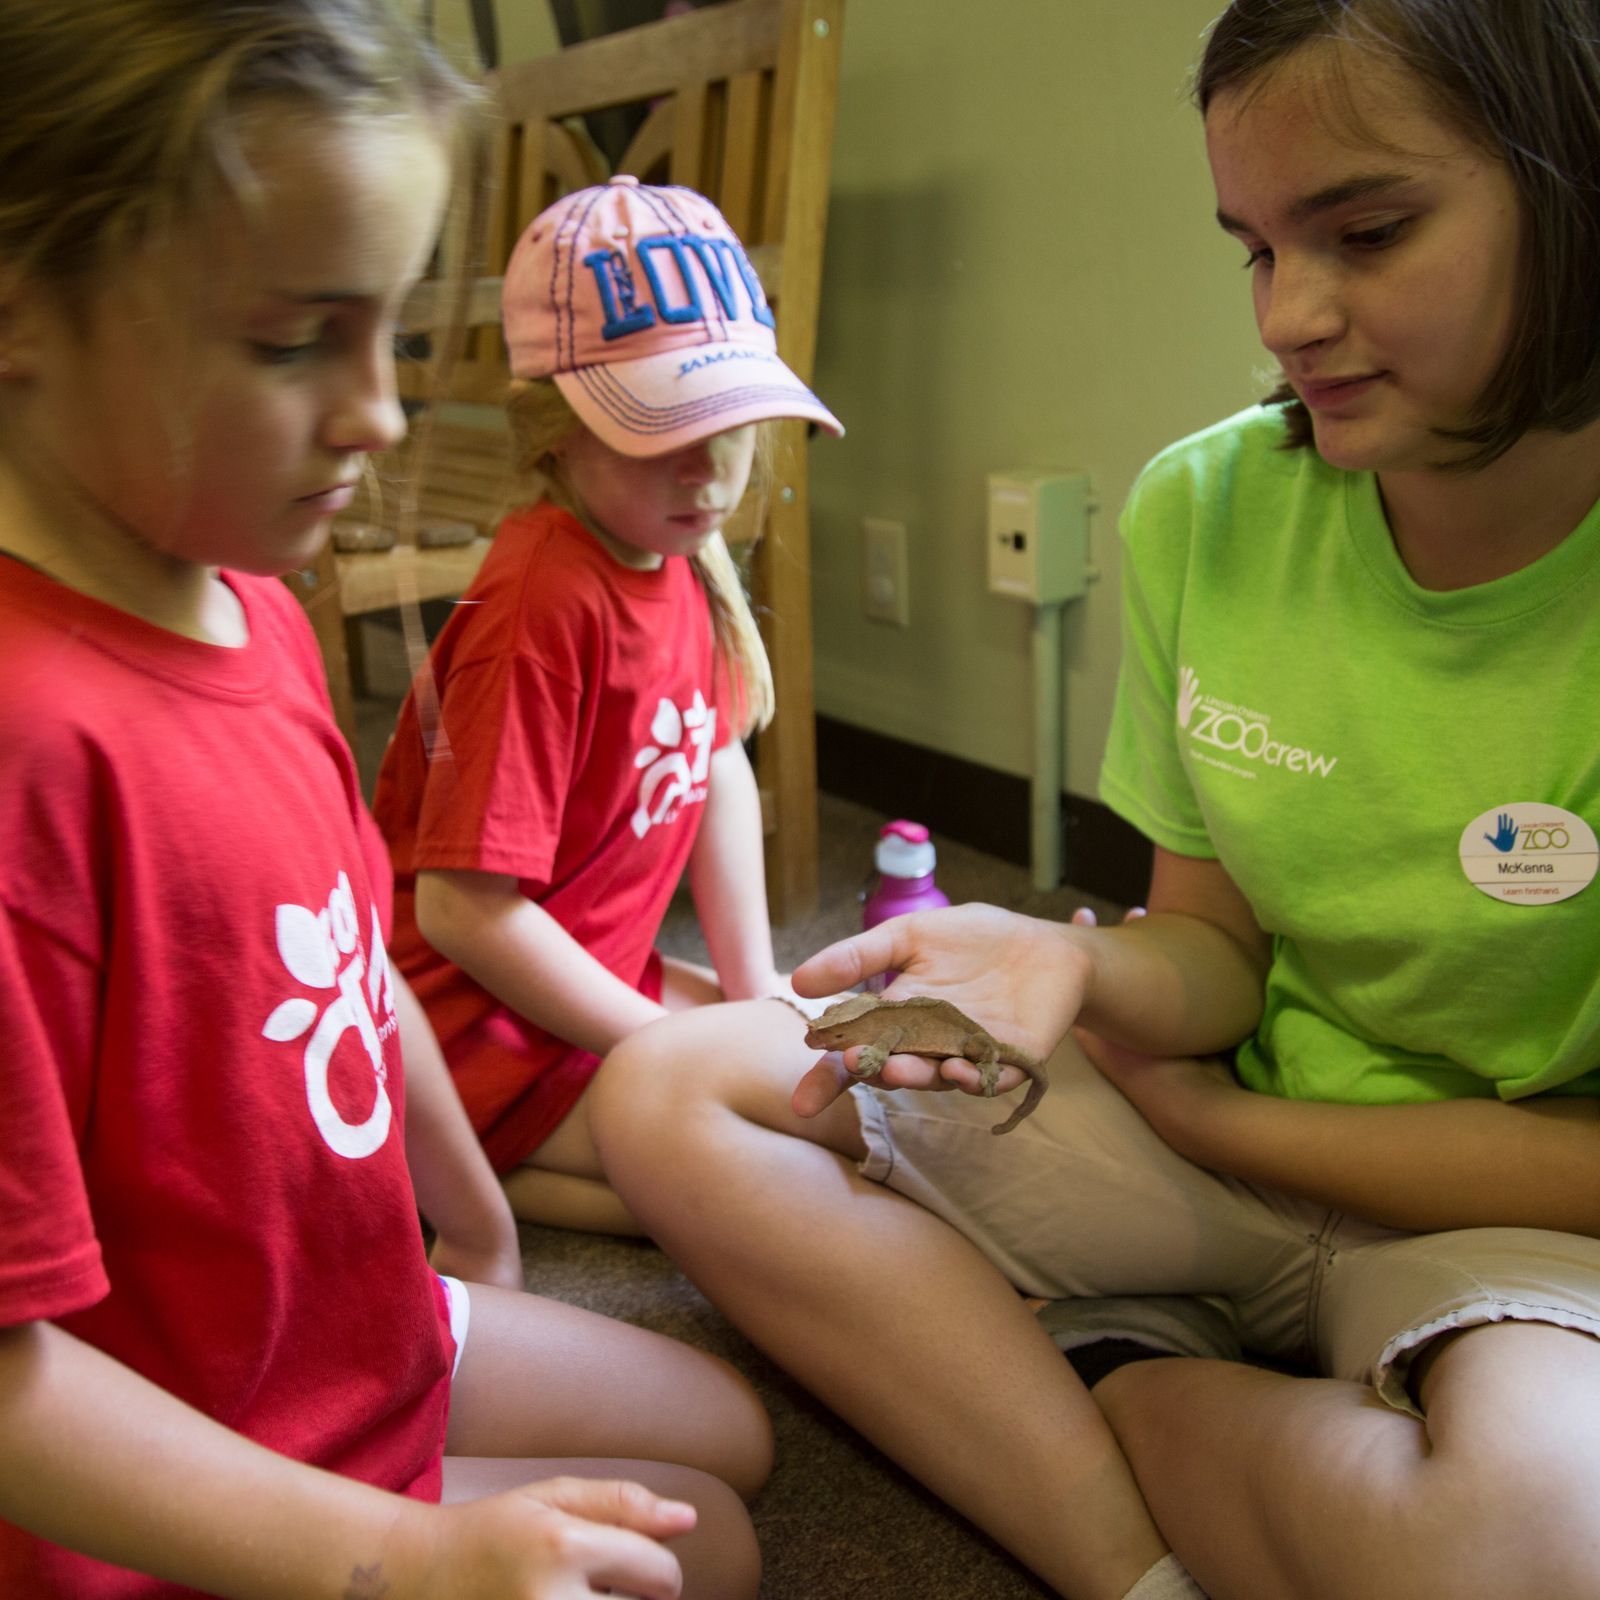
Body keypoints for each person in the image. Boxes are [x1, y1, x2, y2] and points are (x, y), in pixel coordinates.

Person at [588, 0, 1600, 1595]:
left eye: (1367, 231)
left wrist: (1227, 1119)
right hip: (1214, 1153)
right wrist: (1073, 961)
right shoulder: (1208, 505)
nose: (1288, 317)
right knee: (666, 1090)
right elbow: (1214, 957)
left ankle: (1093, 1373)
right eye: (1257, 251)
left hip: (1501, 1224)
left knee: (1535, 1542)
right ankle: (1135, 1553)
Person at [0, 5, 771, 1596]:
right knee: (704, 1561)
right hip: (167, 1464)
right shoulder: (30, 747)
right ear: (24, 309)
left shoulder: (253, 602)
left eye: (388, 333)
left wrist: (474, 1232)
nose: (386, 414)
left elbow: (346, 959)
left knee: (730, 1456)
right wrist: (386, 1558)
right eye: (294, 340)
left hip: (349, 1309)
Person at [371, 175, 843, 1234]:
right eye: (660, 423)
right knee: (764, 1170)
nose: (709, 464)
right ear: (552, 426)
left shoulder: (672, 550)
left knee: (816, 1073)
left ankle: (457, 1160)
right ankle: (433, 1150)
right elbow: (460, 909)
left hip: (581, 972)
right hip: (471, 1023)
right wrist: (664, 1046)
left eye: (728, 417)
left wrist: (749, 979)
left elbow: (713, 757)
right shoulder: (535, 603)